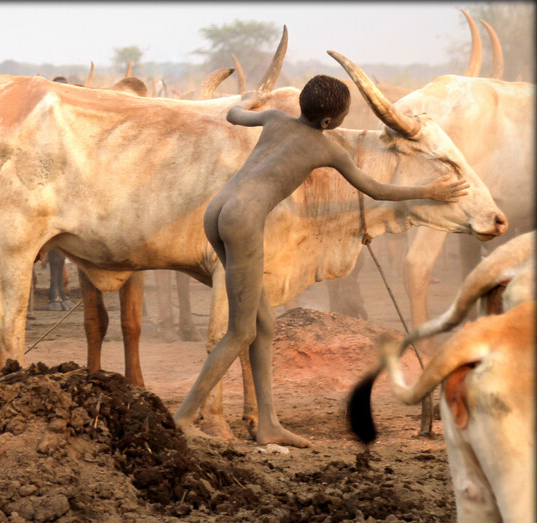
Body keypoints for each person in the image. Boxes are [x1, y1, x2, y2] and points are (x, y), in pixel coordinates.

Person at [172, 75, 469, 447]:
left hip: (218, 211)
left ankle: (268, 424)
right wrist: (429, 190)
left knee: (264, 324)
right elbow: (375, 190)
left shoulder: (276, 119)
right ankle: (183, 416)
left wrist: (248, 100)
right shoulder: (326, 149)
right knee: (241, 331)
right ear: (329, 123)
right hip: (244, 221)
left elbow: (232, 115)